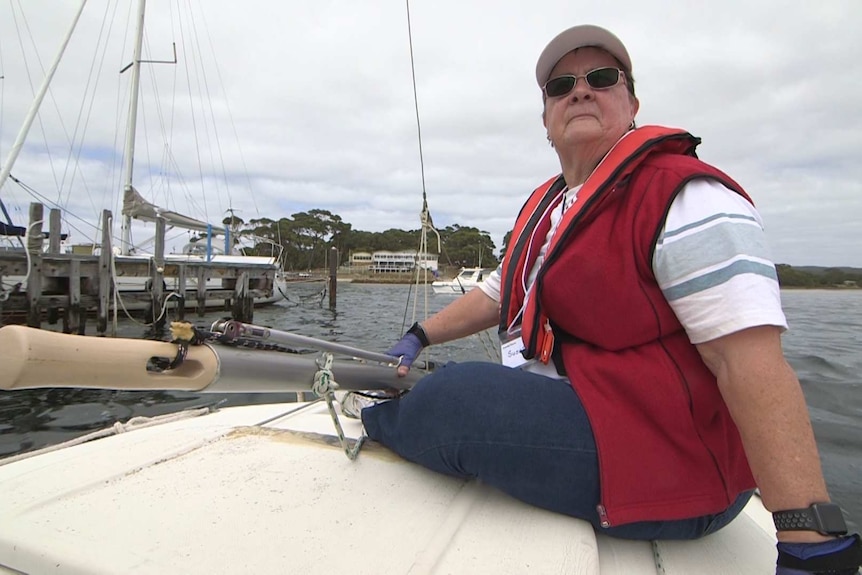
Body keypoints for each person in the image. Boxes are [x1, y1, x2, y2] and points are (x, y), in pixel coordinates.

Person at [341, 24, 861, 573]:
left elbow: (746, 361)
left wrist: (806, 535)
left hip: (673, 467)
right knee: (449, 376)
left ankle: (376, 419)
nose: (580, 90)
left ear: (631, 102)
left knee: (456, 397)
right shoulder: (547, 206)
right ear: (546, 120)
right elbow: (499, 292)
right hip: (592, 415)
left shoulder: (686, 198)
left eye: (602, 77)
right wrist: (420, 335)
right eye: (561, 85)